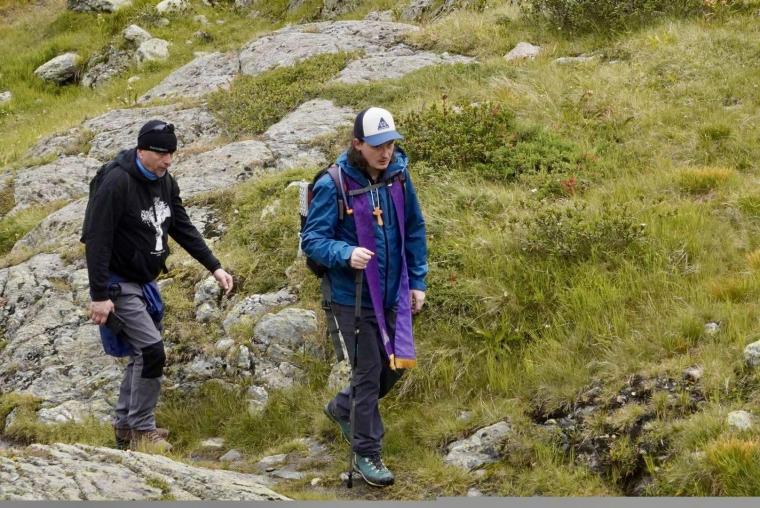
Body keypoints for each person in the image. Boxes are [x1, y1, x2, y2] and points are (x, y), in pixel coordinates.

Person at [82, 120, 234, 452]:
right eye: (162, 153)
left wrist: (214, 266)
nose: (168, 160)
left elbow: (181, 225)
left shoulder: (165, 180)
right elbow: (96, 240)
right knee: (151, 350)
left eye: (172, 153)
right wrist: (99, 295)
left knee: (143, 352)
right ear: (142, 150)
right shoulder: (116, 183)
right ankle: (141, 430)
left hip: (145, 281)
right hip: (117, 283)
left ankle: (125, 427)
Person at [301, 107, 428, 487]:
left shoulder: (399, 176)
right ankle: (367, 454)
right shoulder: (333, 184)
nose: (385, 152)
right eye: (377, 146)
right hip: (351, 296)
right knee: (369, 374)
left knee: (396, 366)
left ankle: (343, 408)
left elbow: (414, 229)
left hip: (393, 292)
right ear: (358, 144)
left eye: (390, 144)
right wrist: (345, 253)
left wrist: (417, 282)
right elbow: (313, 240)